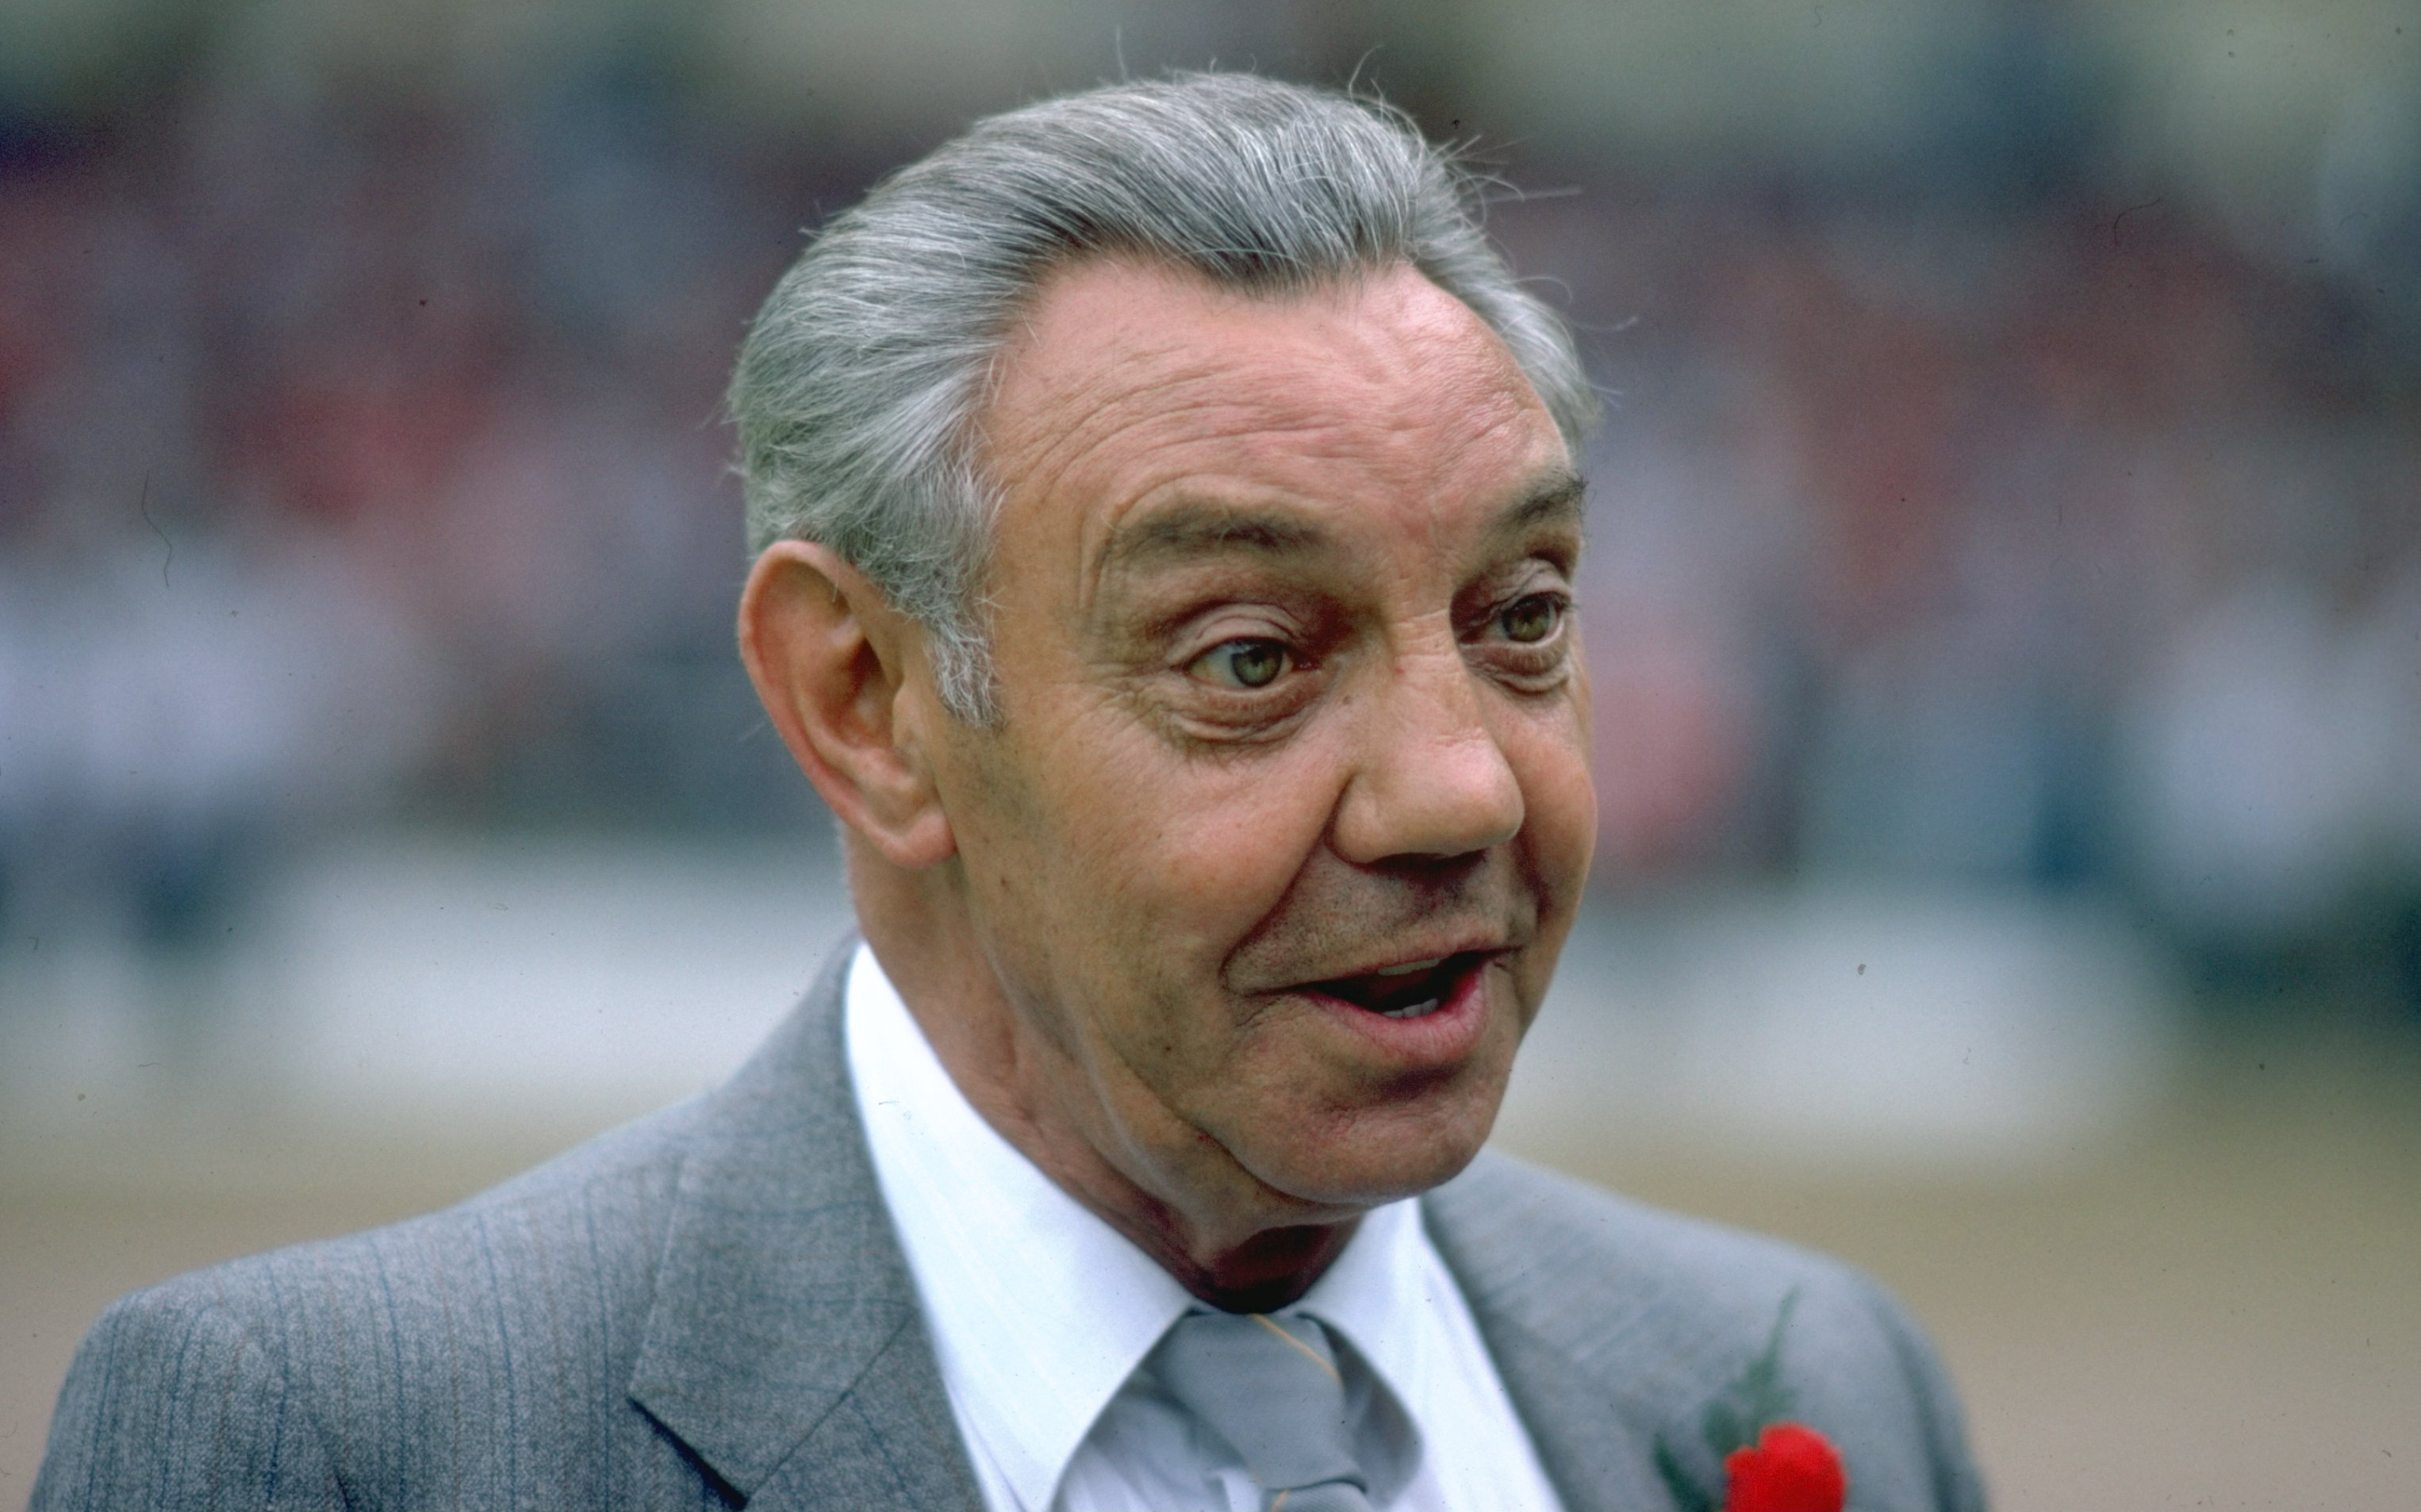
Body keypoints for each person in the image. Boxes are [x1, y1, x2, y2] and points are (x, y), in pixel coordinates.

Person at [34, 74, 1982, 1512]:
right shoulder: (338, 1448)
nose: (1458, 787)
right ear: (866, 702)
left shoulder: (1809, 1390)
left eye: (1523, 615)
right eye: (1251, 657)